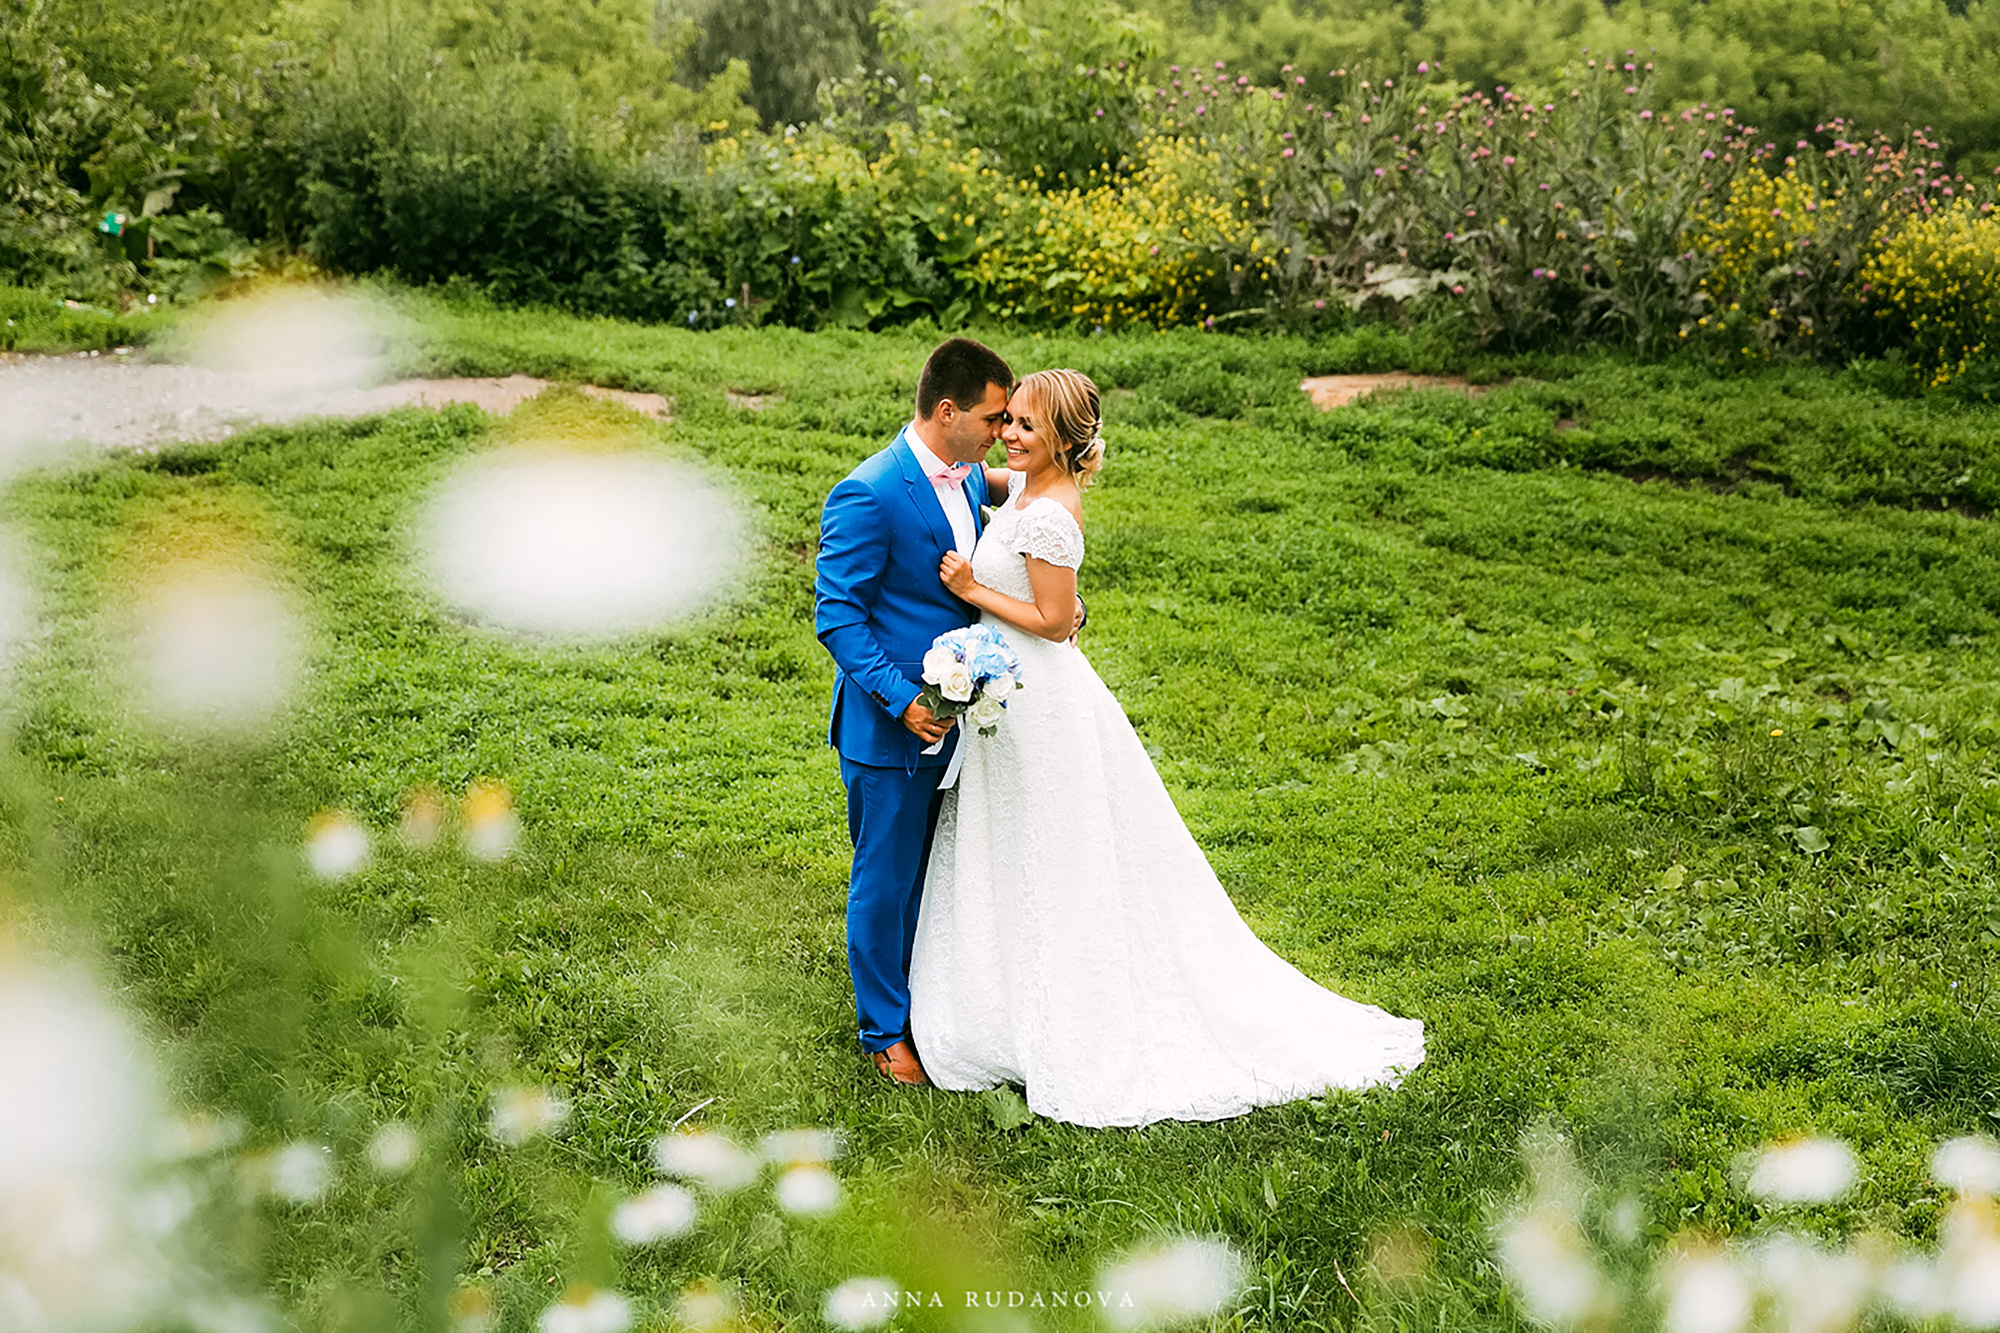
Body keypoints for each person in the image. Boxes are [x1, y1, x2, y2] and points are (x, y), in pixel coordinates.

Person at [907, 368, 1426, 1127]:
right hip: (1012, 699)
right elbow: (966, 472)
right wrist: (940, 453)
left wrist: (970, 586)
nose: (1007, 436)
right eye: (1006, 420)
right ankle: (1000, 999)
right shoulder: (1020, 486)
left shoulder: (1053, 514)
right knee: (1010, 843)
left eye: (1024, 426)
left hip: (1040, 695)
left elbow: (1054, 620)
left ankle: (1070, 1004)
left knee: (1054, 849)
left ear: (1063, 440)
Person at [813, 337, 1014, 1085]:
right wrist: (900, 701)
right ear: (949, 410)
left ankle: (921, 1000)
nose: (1001, 430)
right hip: (891, 725)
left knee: (929, 871)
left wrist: (1053, 463)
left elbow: (998, 483)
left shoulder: (963, 476)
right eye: (995, 417)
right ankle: (883, 1032)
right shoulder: (868, 492)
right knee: (885, 876)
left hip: (958, 713)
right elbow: (837, 616)